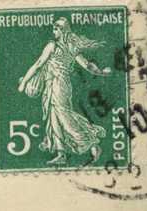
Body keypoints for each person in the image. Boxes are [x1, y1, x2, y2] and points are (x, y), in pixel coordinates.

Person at [17, 16, 111, 165]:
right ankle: (61, 153)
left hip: (58, 85)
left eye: (56, 29)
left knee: (63, 116)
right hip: (56, 84)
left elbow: (38, 64)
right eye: (54, 28)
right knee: (53, 117)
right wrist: (101, 72)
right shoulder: (72, 48)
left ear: (62, 31)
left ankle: (91, 143)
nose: (53, 31)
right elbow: (87, 65)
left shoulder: (52, 46)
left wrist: (24, 84)